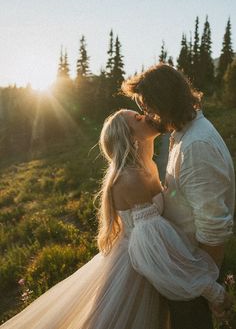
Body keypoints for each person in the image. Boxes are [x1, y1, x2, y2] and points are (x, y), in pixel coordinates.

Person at [1, 108, 232, 329]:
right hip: (140, 269)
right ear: (130, 136)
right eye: (138, 119)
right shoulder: (131, 179)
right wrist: (210, 289)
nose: (146, 117)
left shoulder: (146, 166)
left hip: (150, 260)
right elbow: (158, 249)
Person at [121, 63, 235, 329]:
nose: (147, 116)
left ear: (163, 103)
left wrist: (207, 288)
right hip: (187, 269)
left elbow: (214, 228)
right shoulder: (184, 135)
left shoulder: (196, 146)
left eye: (147, 107)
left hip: (193, 271)